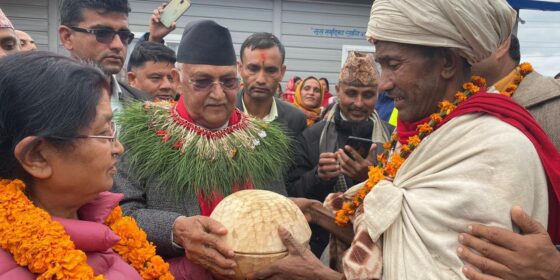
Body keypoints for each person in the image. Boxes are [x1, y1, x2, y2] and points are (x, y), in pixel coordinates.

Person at [251, 0, 560, 279]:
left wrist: (318, 275)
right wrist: (313, 210)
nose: (383, 83)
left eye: (394, 64)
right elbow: (392, 226)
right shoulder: (425, 132)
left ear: (448, 63)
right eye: (382, 65)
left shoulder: (494, 149)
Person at [0, 51, 210, 279]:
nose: (118, 148)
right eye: (102, 133)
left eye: (112, 130)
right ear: (37, 157)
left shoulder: (98, 216)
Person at [112, 20, 292, 279]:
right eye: (203, 81)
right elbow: (121, 212)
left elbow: (275, 209)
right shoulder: (141, 133)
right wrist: (175, 230)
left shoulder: (260, 139)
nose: (218, 94)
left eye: (229, 82)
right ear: (177, 80)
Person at [454, 34, 560, 280]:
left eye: (463, 33)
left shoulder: (553, 105)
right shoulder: (440, 107)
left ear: (501, 43)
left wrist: (554, 267)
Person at [286, 51, 392, 257]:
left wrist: (369, 181)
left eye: (368, 95)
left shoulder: (391, 137)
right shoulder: (312, 136)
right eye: (351, 93)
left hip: (378, 245)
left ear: (377, 94)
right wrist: (319, 177)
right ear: (338, 90)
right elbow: (292, 195)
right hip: (322, 246)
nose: (359, 103)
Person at [58, 0, 150, 110]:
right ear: (67, 37)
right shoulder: (41, 101)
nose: (118, 45)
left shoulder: (143, 104)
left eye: (124, 35)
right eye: (102, 33)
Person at [472, 34, 560, 149]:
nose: (454, 48)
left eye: (465, 38)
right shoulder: (451, 100)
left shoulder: (554, 101)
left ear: (501, 45)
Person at [236, 32, 307, 137]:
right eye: (253, 69)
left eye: (271, 70)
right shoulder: (220, 114)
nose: (261, 79)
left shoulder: (295, 120)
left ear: (282, 72)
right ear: (240, 68)